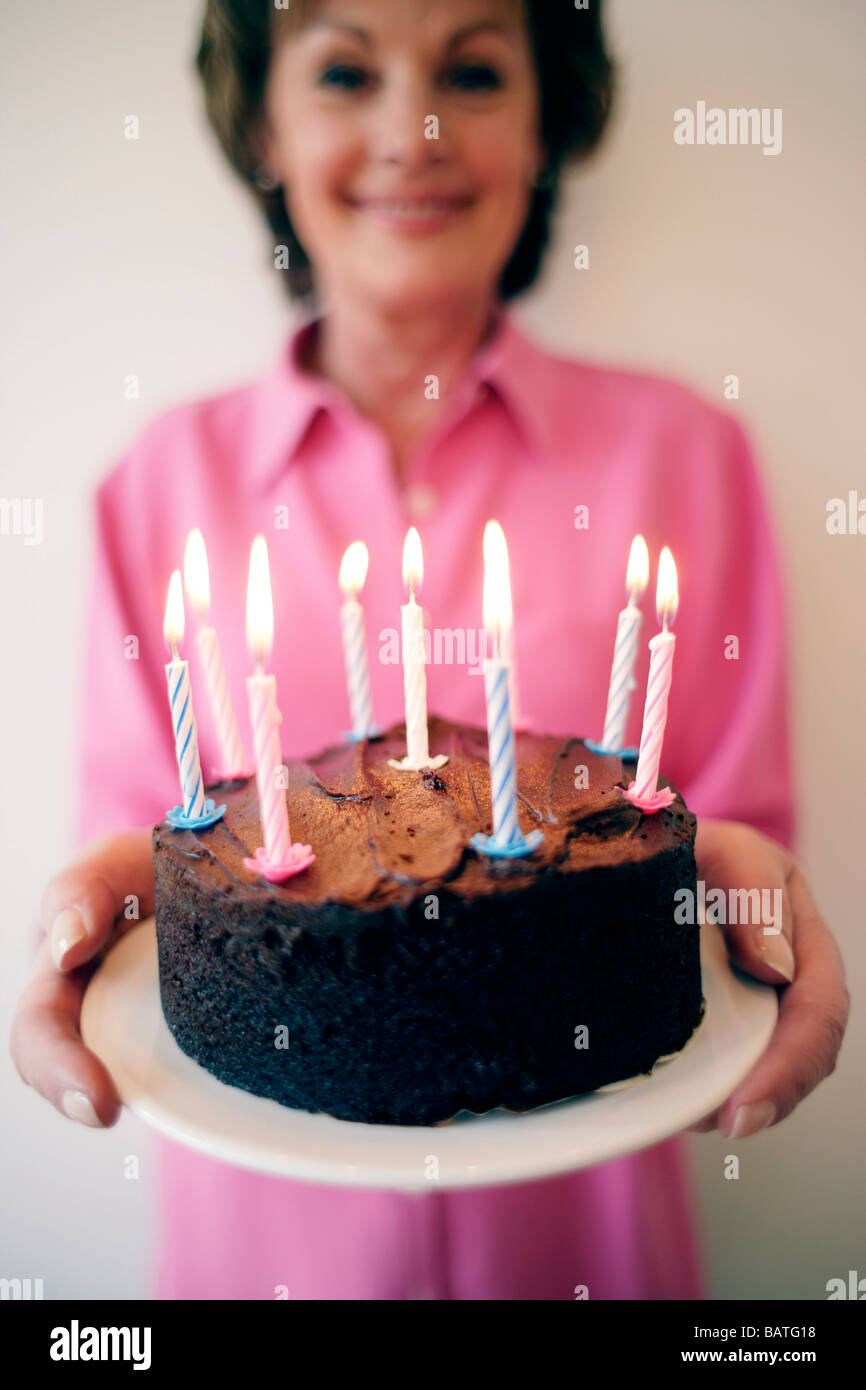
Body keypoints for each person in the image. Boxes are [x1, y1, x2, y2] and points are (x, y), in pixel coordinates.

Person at [10, 0, 848, 1300]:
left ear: (548, 123)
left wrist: (742, 895)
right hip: (262, 1252)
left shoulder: (684, 456)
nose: (414, 129)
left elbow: (709, 831)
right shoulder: (153, 485)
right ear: (262, 126)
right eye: (345, 70)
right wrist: (90, 912)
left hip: (586, 1244)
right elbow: (152, 855)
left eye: (472, 68)